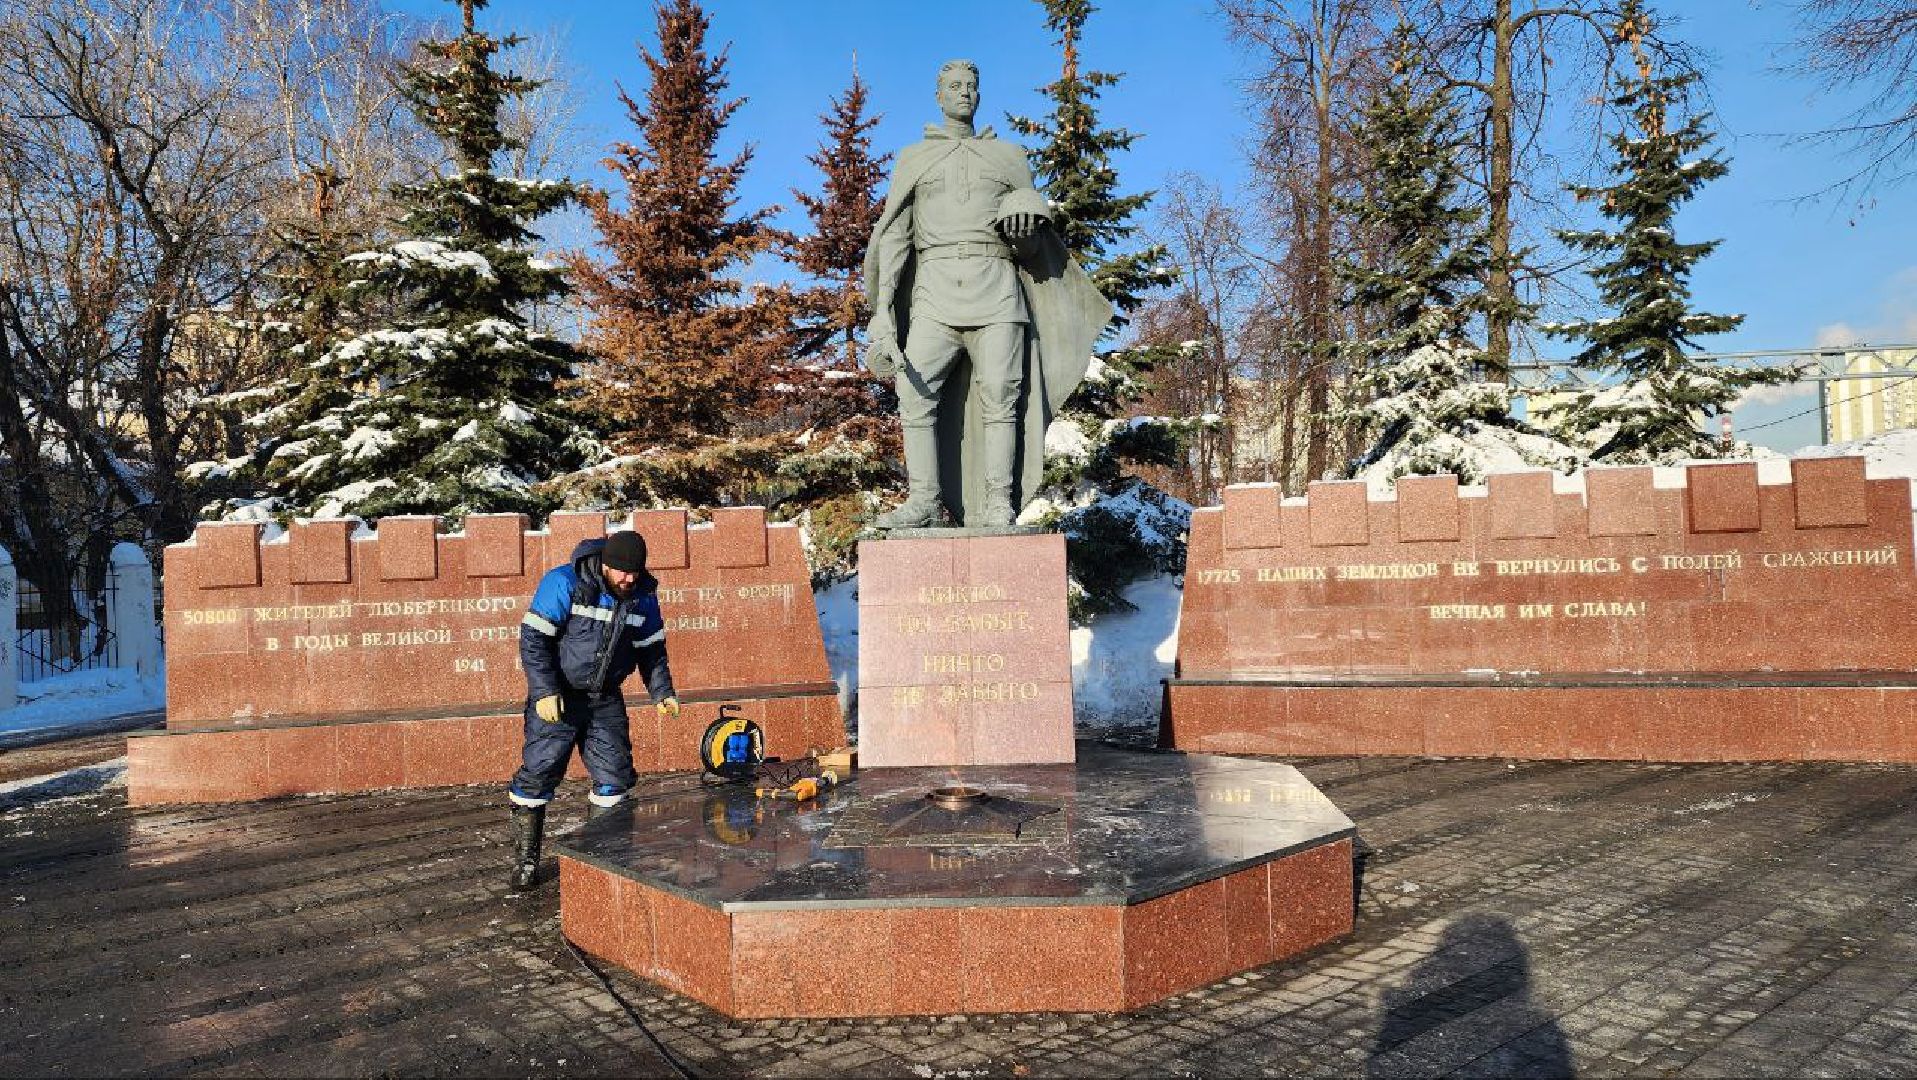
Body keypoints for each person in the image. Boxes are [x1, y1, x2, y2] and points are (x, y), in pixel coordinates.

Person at [863, 58, 1109, 528]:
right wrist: (883, 311)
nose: (964, 93)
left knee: (1001, 399)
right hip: (933, 292)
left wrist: (1024, 227)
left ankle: (999, 503)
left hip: (997, 289)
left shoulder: (1010, 158)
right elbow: (895, 237)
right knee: (914, 395)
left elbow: (1033, 247)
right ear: (939, 95)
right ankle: (925, 502)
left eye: (971, 86)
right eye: (954, 86)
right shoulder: (914, 158)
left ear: (980, 95)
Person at [507, 529, 679, 889]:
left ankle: (601, 863)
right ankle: (526, 861)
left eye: (635, 572)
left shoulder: (643, 596)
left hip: (605, 699)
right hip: (559, 696)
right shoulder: (563, 582)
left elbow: (651, 650)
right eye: (621, 571)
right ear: (605, 564)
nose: (628, 579)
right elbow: (534, 639)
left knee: (615, 777)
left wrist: (662, 691)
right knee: (539, 772)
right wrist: (544, 690)